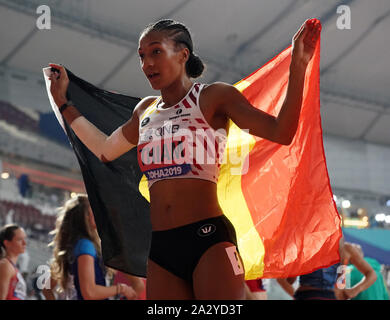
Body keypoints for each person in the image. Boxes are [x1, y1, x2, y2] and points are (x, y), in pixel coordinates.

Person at [48, 18, 321, 299]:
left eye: (156, 51)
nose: (147, 64)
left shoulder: (214, 97)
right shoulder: (145, 112)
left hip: (209, 241)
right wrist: (64, 104)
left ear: (183, 54)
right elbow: (104, 149)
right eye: (142, 56)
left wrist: (298, 65)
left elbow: (281, 132)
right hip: (162, 249)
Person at [42, 194, 136, 300]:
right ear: (85, 216)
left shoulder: (75, 245)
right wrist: (121, 288)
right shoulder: (85, 245)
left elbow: (47, 288)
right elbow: (89, 292)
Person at [277, 238, 377, 300]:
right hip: (331, 296)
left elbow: (288, 280)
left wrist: (293, 292)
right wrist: (354, 290)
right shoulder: (344, 249)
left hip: (306, 295)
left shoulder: (303, 245)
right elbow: (372, 274)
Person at [0, 224, 28, 300]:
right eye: (19, 240)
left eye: (24, 239)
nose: (24, 243)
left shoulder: (12, 267)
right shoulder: (5, 265)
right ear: (7, 243)